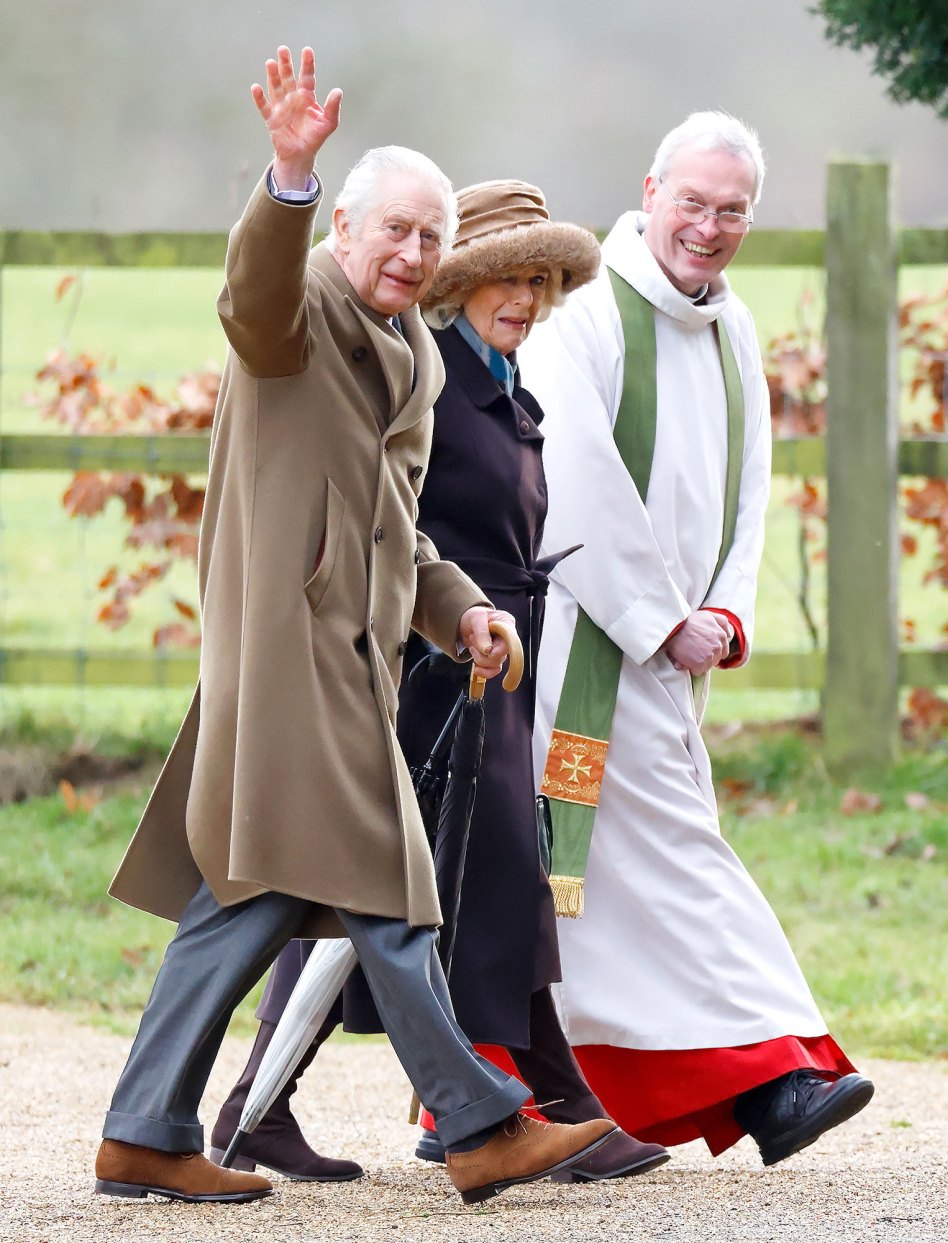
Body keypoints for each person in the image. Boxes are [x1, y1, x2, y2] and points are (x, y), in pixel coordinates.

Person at [92, 46, 616, 1207]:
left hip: (358, 660)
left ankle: (143, 1131)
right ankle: (480, 1122)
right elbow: (251, 297)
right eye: (395, 231)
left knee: (250, 896)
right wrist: (287, 177)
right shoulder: (299, 315)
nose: (414, 254)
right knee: (389, 873)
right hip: (291, 656)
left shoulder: (415, 349)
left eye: (431, 237)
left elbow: (400, 532)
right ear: (345, 231)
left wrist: (463, 609)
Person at [210, 180, 670, 1186]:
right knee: (409, 890)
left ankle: (274, 1105)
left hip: (490, 661)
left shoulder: (502, 378)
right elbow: (388, 527)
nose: (528, 296)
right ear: (459, 284)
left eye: (543, 279)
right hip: (427, 676)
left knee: (478, 886)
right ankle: (516, 1105)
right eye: (507, 275)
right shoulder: (432, 382)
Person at [517, 110, 874, 1167]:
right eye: (695, 203)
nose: (710, 229)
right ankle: (778, 1075)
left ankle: (529, 1098)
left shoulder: (735, 325)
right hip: (581, 648)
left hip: (672, 661)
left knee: (592, 891)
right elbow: (571, 475)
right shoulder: (583, 313)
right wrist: (659, 618)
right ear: (651, 189)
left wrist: (725, 610)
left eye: (733, 212)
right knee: (653, 861)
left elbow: (750, 484)